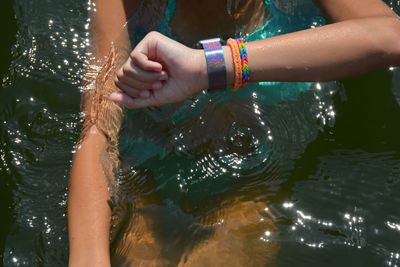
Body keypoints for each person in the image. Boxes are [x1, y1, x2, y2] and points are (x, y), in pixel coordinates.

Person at [68, 0, 400, 266]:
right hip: (147, 167)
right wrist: (87, 258)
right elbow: (98, 129)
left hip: (250, 182)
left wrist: (213, 67)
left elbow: (389, 35)